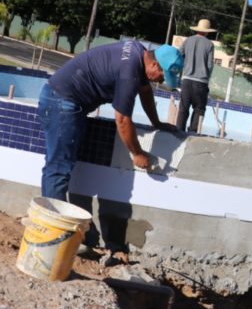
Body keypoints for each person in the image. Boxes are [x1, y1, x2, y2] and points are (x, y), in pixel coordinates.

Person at [37, 40, 183, 202]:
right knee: (58, 168)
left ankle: (48, 215)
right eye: (163, 76)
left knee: (57, 165)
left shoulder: (139, 52)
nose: (161, 82)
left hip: (63, 99)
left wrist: (157, 123)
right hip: (61, 102)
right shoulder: (130, 73)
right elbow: (122, 119)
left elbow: (145, 90)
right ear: (154, 64)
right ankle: (54, 224)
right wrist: (137, 153)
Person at [176, 18, 216, 132]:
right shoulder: (210, 44)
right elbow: (209, 65)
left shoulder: (187, 41)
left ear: (197, 29)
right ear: (207, 31)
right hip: (201, 82)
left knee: (183, 109)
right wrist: (206, 79)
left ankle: (178, 133)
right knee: (199, 109)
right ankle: (192, 134)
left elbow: (179, 56)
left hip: (187, 80)